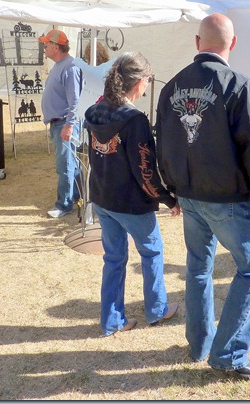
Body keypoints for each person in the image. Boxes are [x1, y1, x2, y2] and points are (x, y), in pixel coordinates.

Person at [155, 13, 250, 379]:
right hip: (225, 198)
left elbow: (163, 142)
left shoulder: (171, 86)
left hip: (190, 194)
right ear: (233, 43)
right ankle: (227, 354)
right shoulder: (240, 85)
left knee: (199, 268)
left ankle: (200, 344)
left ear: (198, 43)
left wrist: (172, 190)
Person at [84, 52, 181, 336]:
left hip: (102, 197)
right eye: (148, 80)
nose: (148, 86)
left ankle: (112, 321)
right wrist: (168, 199)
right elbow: (145, 172)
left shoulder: (94, 110)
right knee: (152, 252)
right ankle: (157, 309)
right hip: (130, 202)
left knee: (114, 259)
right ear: (138, 82)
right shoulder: (135, 119)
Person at [39, 29, 83, 218]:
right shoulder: (60, 65)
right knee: (72, 164)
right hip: (60, 123)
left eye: (46, 44)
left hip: (64, 123)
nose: (44, 48)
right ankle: (81, 196)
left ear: (56, 47)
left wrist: (70, 125)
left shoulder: (70, 67)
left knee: (65, 165)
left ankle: (64, 205)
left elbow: (75, 100)